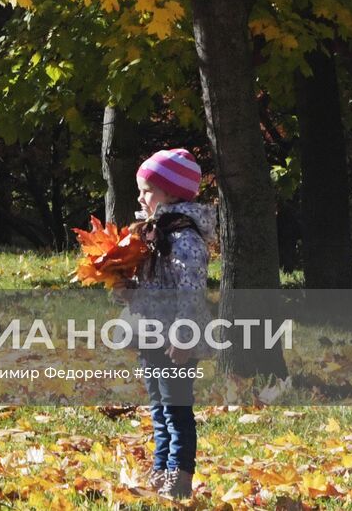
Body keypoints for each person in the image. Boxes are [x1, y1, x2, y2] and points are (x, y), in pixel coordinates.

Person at [132, 148, 215, 501]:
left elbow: (191, 290)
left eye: (147, 191)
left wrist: (184, 336)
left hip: (175, 339)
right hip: (151, 333)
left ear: (170, 193)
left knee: (176, 406)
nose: (141, 197)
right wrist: (124, 290)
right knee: (158, 405)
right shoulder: (152, 233)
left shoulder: (184, 238)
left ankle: (179, 474)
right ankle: (161, 467)